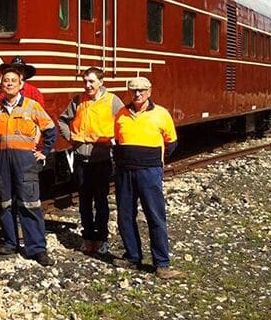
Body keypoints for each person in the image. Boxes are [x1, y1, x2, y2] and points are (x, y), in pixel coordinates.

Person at [113, 76, 183, 279]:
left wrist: (153, 160)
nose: (137, 94)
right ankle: (132, 257)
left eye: (141, 90)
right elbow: (117, 139)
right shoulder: (121, 114)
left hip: (149, 172)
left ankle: (162, 264)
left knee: (155, 216)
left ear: (149, 92)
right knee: (125, 216)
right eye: (134, 90)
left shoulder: (161, 114)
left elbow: (171, 142)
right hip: (125, 172)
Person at [0, 67, 56, 266]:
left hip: (25, 161)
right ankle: (10, 243)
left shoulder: (31, 106)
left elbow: (50, 129)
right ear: (2, 85)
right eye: (5, 80)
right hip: (2, 160)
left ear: (20, 85)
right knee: (5, 203)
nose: (9, 83)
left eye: (13, 81)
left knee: (30, 204)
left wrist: (44, 152)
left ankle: (37, 249)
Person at [58, 67, 124, 255]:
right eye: (85, 81)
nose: (87, 85)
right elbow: (62, 120)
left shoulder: (112, 101)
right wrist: (71, 138)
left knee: (101, 201)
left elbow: (124, 122)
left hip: (101, 159)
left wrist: (116, 141)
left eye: (91, 81)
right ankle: (87, 238)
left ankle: (102, 239)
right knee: (84, 202)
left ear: (101, 82)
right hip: (81, 159)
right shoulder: (78, 100)